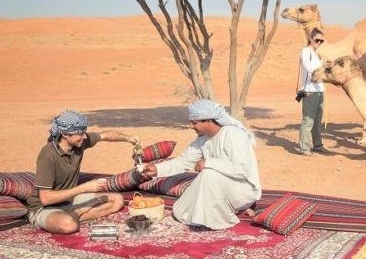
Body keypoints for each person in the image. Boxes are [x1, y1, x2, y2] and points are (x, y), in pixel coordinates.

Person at [140, 99, 261, 230]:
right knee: (186, 202)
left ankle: (211, 222)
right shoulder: (203, 139)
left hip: (243, 189)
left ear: (208, 120)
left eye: (194, 122)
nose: (191, 126)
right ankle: (228, 209)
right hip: (223, 187)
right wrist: (156, 169)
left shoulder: (233, 134)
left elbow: (242, 169)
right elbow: (183, 161)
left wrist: (208, 163)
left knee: (208, 173)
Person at [26, 110, 140, 234]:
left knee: (117, 200)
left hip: (70, 201)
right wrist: (83, 188)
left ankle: (75, 214)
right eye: (80, 133)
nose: (84, 136)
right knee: (68, 225)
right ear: (65, 134)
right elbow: (45, 198)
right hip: (44, 208)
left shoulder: (79, 143)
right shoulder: (48, 155)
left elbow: (104, 135)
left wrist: (128, 138)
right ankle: (76, 213)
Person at [296, 28, 329, 154]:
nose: (319, 42)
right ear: (311, 39)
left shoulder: (316, 54)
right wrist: (322, 66)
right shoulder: (306, 51)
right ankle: (304, 147)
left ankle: (318, 145)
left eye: (321, 41)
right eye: (317, 40)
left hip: (320, 90)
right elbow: (309, 67)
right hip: (309, 90)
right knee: (308, 120)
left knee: (317, 121)